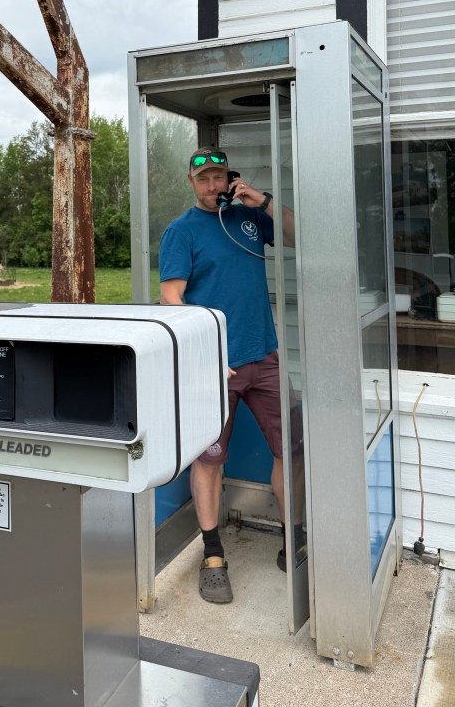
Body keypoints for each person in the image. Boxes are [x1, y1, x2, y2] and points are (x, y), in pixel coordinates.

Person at [159, 146, 302, 605]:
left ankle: (293, 539)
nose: (212, 185)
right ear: (191, 182)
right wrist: (204, 352)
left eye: (219, 177)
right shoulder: (181, 231)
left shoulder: (248, 218)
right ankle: (213, 555)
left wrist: (262, 201)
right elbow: (171, 298)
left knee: (290, 449)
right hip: (214, 367)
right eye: (203, 179)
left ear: (230, 179)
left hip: (264, 356)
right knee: (209, 459)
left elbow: (299, 235)